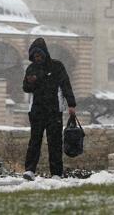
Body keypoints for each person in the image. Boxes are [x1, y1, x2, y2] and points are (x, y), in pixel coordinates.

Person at [22, 37, 76, 181]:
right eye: (35, 56)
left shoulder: (57, 67)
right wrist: (30, 82)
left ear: (44, 54)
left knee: (55, 142)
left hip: (54, 111)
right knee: (34, 141)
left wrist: (71, 104)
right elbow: (26, 88)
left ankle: (56, 173)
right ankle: (29, 170)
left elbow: (66, 85)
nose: (37, 58)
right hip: (37, 111)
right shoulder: (31, 68)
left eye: (39, 55)